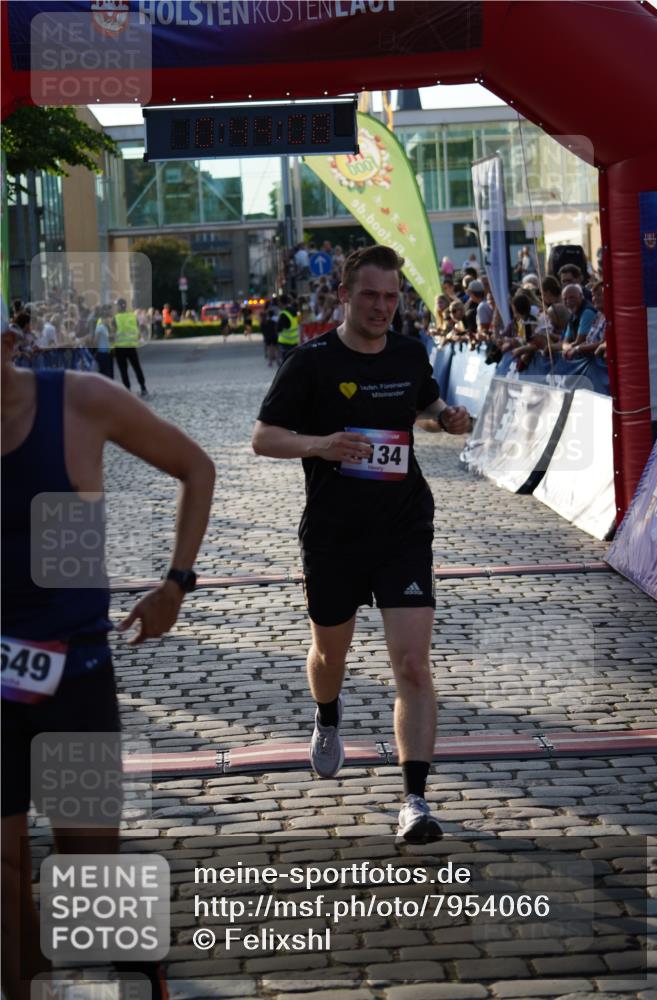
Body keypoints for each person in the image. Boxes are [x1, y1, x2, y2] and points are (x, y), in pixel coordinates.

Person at [1, 319, 216, 1000]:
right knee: (3, 870)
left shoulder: (80, 400)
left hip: (75, 675)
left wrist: (175, 584)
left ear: (8, 343)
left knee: (87, 869)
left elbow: (195, 468)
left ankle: (138, 975)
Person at [251, 245, 471, 844]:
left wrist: (446, 416)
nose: (382, 307)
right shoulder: (311, 361)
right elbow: (263, 438)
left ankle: (415, 800)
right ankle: (326, 716)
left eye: (392, 297)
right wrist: (321, 445)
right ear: (344, 295)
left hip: (403, 525)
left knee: (412, 664)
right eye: (370, 295)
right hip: (333, 534)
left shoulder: (407, 350)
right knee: (331, 658)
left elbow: (423, 403)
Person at [113, 298, 149, 397]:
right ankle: (143, 387)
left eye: (117, 305)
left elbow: (113, 332)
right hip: (131, 346)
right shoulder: (133, 316)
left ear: (120, 306)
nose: (116, 307)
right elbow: (138, 328)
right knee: (137, 367)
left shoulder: (115, 318)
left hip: (120, 347)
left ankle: (127, 390)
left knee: (123, 369)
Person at [276, 294, 300, 365]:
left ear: (281, 302)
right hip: (294, 341)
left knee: (286, 363)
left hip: (285, 342)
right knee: (293, 361)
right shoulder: (294, 311)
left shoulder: (284, 314)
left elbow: (278, 329)